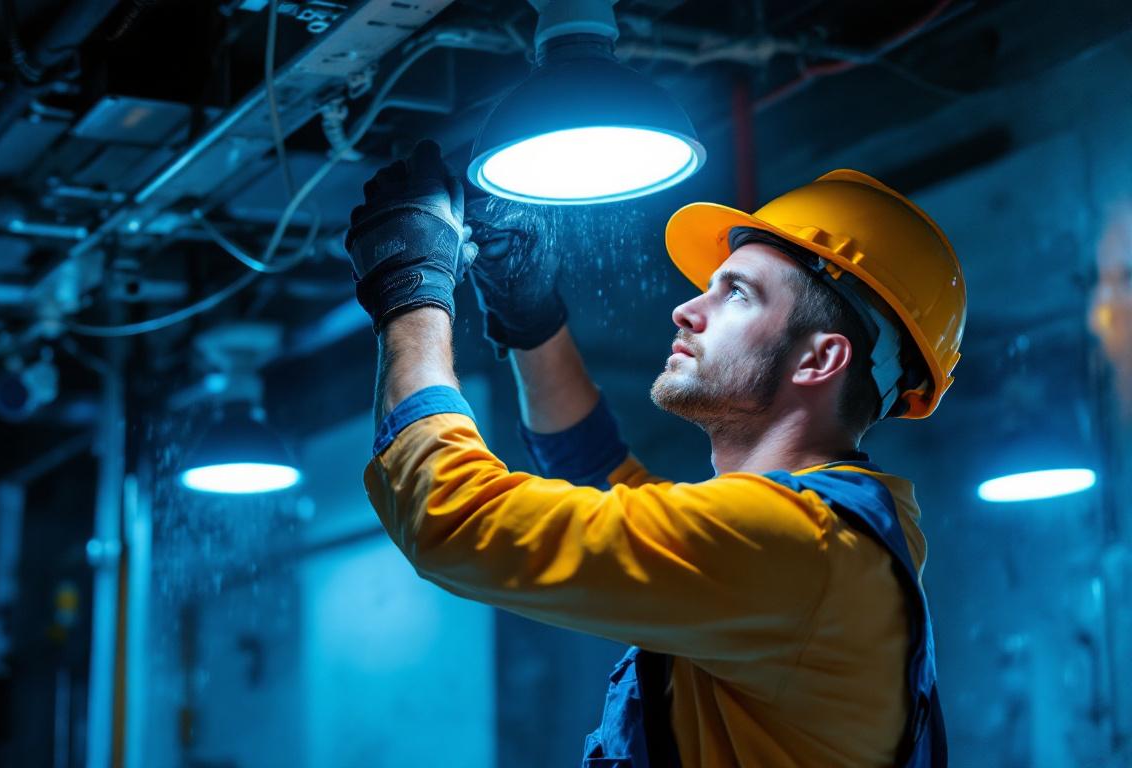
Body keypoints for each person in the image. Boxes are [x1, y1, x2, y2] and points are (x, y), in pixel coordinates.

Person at [344, 139, 966, 767]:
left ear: (820, 359)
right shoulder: (828, 541)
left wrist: (411, 292)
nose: (687, 309)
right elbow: (601, 481)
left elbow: (451, 516)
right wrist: (529, 317)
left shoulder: (800, 544)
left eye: (738, 294)